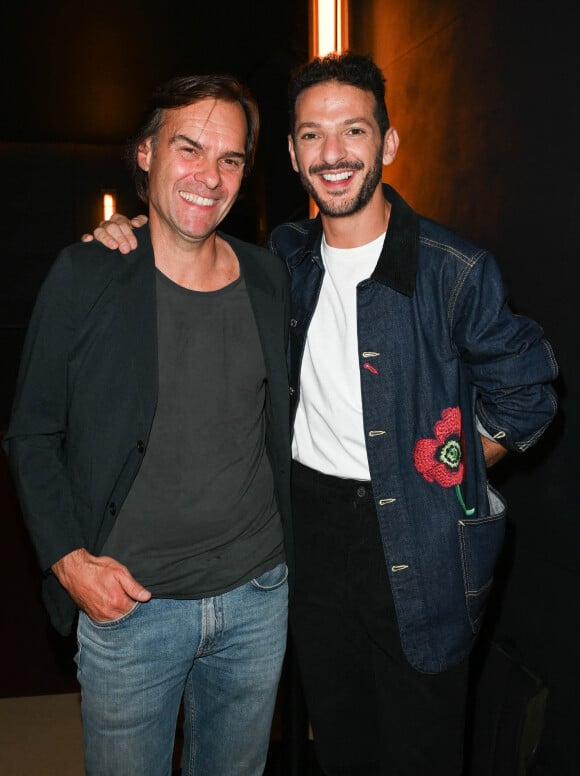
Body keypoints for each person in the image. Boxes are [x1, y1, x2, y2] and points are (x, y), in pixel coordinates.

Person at [83, 53, 558, 776]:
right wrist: (127, 234)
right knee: (337, 744)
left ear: (387, 144)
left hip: (422, 537)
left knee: (420, 753)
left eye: (353, 131)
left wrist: (445, 465)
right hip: (307, 534)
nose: (333, 154)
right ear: (293, 154)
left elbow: (530, 394)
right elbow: (189, 255)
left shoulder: (452, 270)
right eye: (312, 135)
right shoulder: (283, 258)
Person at [4, 74, 293, 776]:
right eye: (189, 148)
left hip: (257, 601)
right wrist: (70, 564)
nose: (210, 176)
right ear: (145, 154)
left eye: (230, 159)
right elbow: (32, 433)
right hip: (132, 611)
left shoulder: (269, 276)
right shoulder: (86, 275)